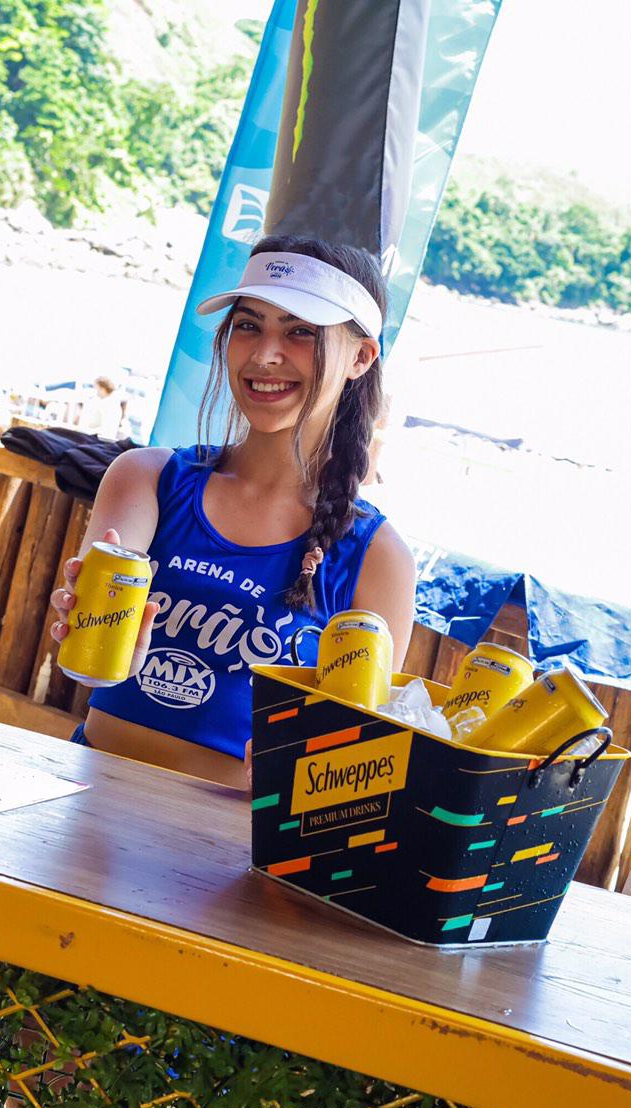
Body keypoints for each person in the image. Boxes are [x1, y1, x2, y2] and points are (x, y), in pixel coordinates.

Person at [49, 236, 416, 790]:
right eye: (248, 325)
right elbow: (89, 652)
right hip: (85, 798)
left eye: (300, 332)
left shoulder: (379, 557)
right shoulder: (148, 477)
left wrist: (312, 760)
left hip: (232, 837)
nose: (264, 355)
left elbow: (351, 766)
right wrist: (93, 630)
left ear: (361, 358)